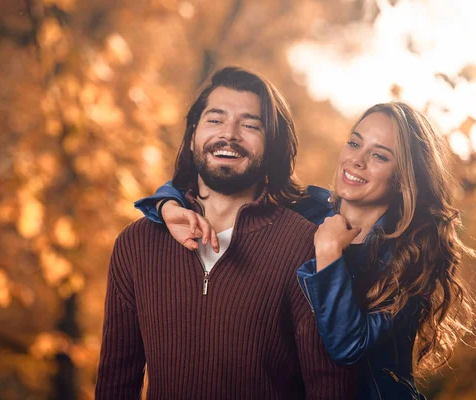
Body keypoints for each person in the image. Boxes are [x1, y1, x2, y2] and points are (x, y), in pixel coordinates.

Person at [136, 102, 476, 399]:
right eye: (354, 143)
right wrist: (167, 205)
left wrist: (328, 251)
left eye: (378, 155)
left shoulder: (411, 262)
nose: (356, 161)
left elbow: (347, 347)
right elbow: (219, 183)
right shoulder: (303, 210)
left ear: (405, 177)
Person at [95, 66, 355, 399]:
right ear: (192, 137)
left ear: (271, 146)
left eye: (249, 125)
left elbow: (328, 384)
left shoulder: (305, 245)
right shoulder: (137, 243)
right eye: (215, 120)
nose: (229, 135)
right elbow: (117, 382)